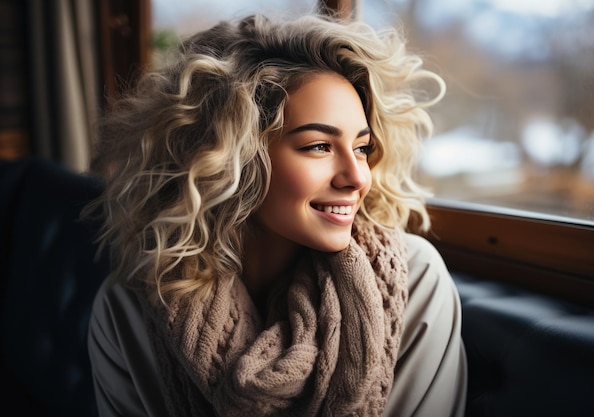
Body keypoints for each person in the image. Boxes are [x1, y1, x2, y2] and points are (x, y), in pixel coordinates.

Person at [85, 12, 467, 417]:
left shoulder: (414, 279)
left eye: (361, 148)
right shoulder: (126, 309)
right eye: (319, 146)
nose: (358, 176)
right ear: (232, 160)